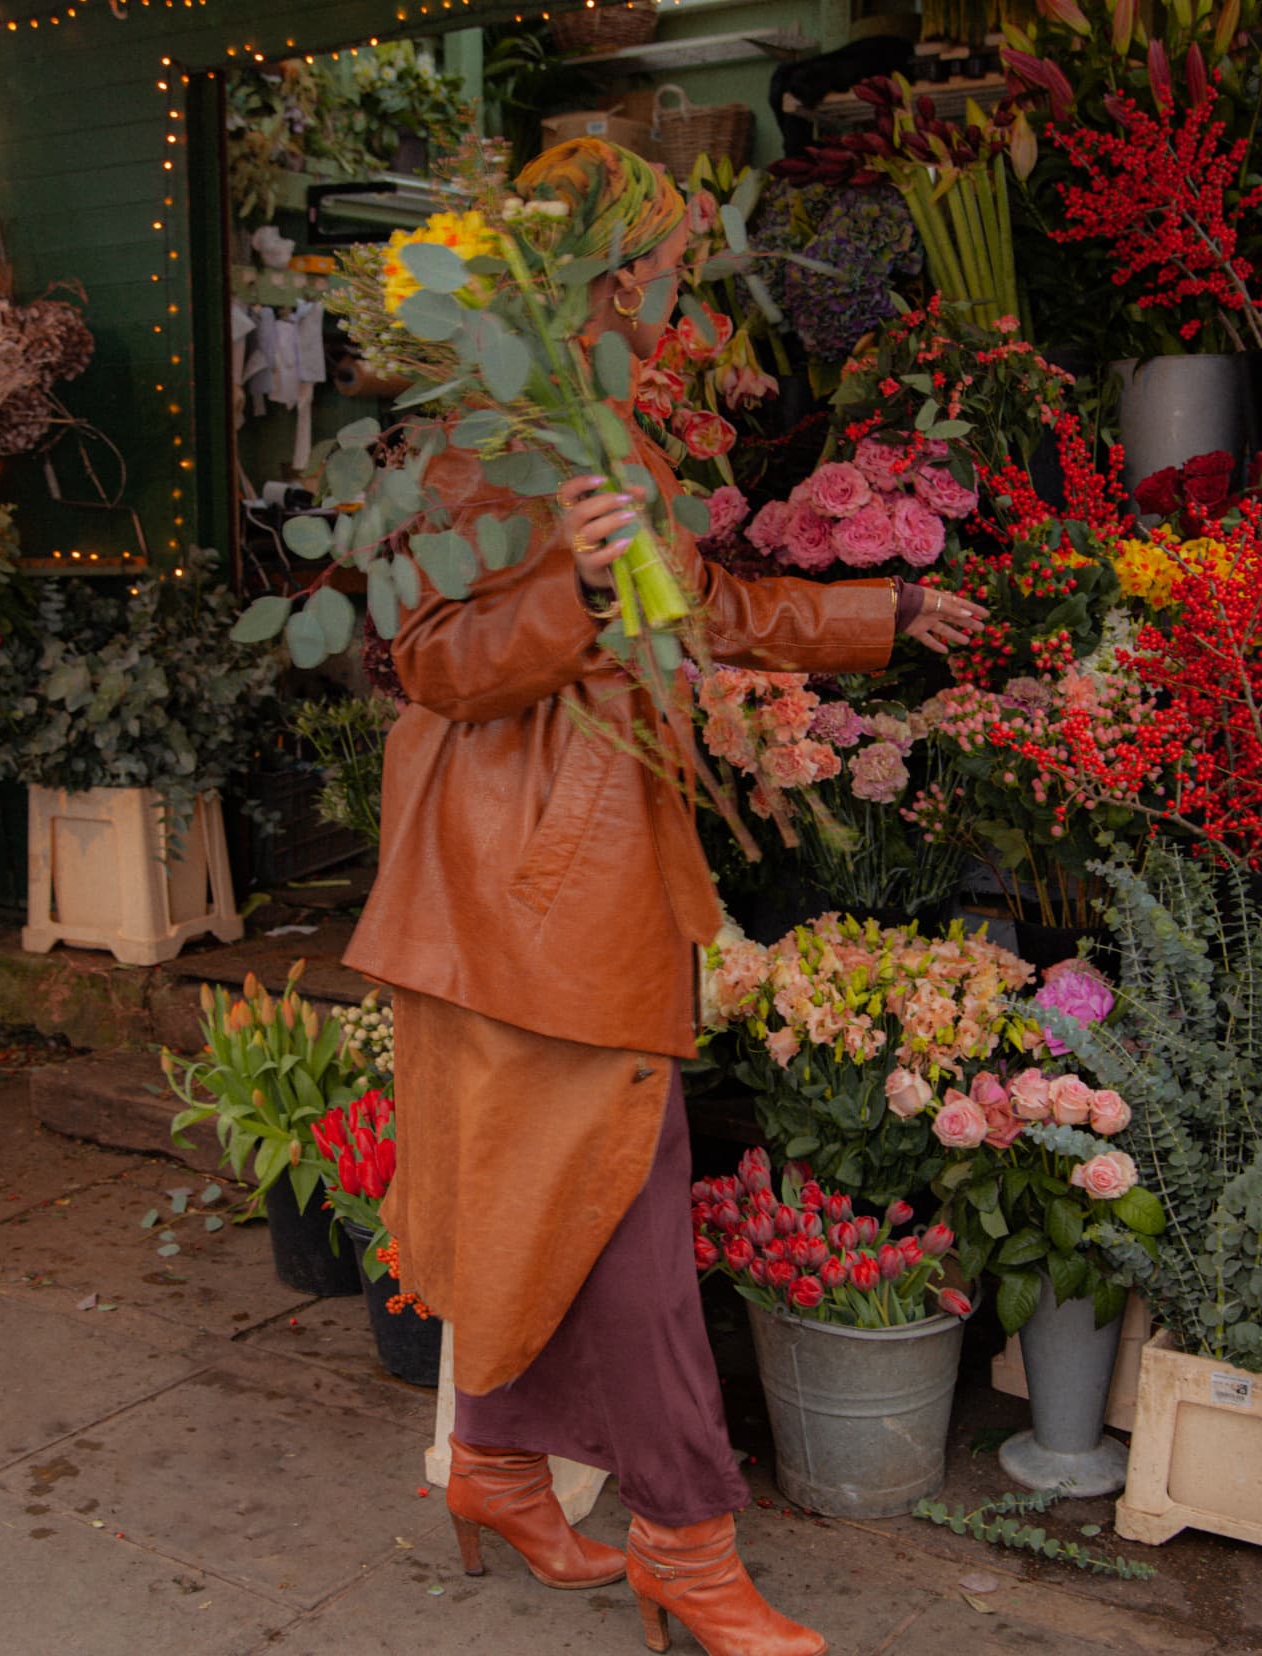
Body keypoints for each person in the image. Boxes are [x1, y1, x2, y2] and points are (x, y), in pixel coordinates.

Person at [345, 138, 986, 1656]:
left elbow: (685, 606)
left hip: (582, 888)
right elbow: (433, 656)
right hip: (527, 903)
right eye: (657, 277)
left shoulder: (596, 424)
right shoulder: (495, 432)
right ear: (591, 277)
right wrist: (568, 578)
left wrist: (875, 614)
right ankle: (689, 1553)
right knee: (627, 1230)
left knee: (578, 1206)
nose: (677, 307)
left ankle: (500, 1465)